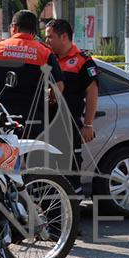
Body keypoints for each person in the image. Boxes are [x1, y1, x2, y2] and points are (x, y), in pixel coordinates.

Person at [0, 10, 64, 138]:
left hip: (0, 121)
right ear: (34, 30)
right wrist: (49, 97)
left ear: (15, 27)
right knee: (32, 156)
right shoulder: (44, 52)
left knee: (2, 157)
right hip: (33, 122)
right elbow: (59, 87)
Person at [45, 18, 99, 194]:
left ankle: (72, 213)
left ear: (64, 36)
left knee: (70, 172)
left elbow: (92, 92)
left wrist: (88, 124)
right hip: (46, 124)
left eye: (50, 37)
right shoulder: (47, 58)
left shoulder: (83, 61)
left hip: (69, 125)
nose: (46, 41)